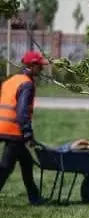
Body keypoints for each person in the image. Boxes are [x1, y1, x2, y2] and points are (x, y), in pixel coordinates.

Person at [0, 51, 48, 205]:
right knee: (6, 167)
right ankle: (35, 198)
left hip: (2, 125)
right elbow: (22, 112)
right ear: (31, 65)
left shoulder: (11, 80)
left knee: (26, 162)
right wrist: (27, 133)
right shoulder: (27, 84)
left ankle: (34, 198)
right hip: (13, 129)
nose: (41, 69)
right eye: (39, 66)